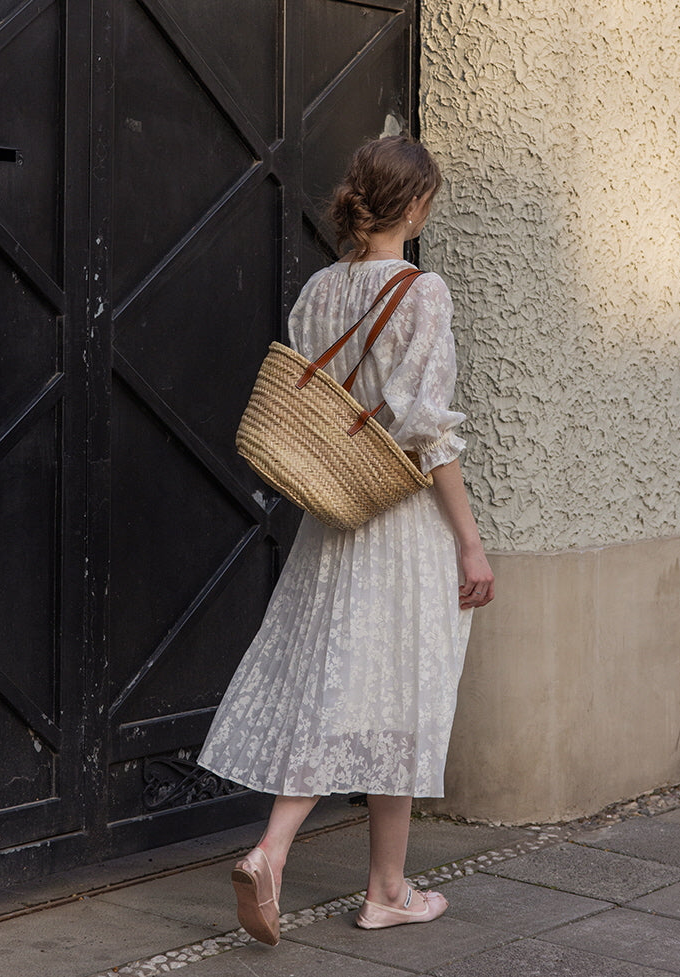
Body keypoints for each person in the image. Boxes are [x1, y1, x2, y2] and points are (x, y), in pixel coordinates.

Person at [197, 134, 495, 946]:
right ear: (416, 206)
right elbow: (427, 433)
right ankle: (336, 871)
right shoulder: (422, 291)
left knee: (339, 687)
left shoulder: (320, 289)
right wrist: (469, 542)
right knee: (398, 691)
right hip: (397, 520)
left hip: (332, 517)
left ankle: (330, 867)